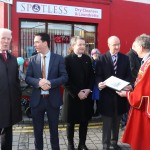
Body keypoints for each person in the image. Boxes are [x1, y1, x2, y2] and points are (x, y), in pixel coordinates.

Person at [25, 32, 68, 150]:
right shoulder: (32, 59)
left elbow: (64, 77)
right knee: (37, 132)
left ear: (45, 43)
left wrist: (50, 83)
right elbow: (28, 78)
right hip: (37, 102)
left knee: (54, 131)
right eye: (34, 43)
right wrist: (38, 83)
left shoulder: (58, 59)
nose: (34, 45)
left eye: (37, 42)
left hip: (52, 100)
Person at [96, 36, 131, 150]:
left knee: (117, 120)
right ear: (108, 45)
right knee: (107, 122)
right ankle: (105, 144)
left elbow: (128, 75)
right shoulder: (101, 58)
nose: (117, 47)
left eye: (118, 44)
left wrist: (126, 85)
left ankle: (114, 142)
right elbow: (98, 75)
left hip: (120, 95)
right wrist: (99, 83)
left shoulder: (125, 58)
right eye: (114, 45)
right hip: (106, 95)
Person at [116, 34, 150, 150]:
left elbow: (144, 93)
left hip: (145, 108)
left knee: (144, 141)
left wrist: (127, 94)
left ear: (141, 47)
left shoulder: (148, 64)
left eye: (135, 46)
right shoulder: (146, 61)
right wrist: (132, 87)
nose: (134, 49)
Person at [62, 36, 94, 150]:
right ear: (73, 46)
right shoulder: (67, 60)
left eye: (84, 44)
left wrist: (88, 90)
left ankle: (82, 144)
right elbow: (65, 80)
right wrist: (77, 93)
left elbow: (91, 76)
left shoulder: (87, 58)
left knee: (84, 122)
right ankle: (70, 145)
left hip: (86, 96)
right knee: (71, 123)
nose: (82, 47)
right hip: (72, 97)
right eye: (79, 44)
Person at [0, 28, 22, 150]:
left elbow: (16, 81)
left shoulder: (13, 59)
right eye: (3, 38)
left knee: (7, 134)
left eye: (8, 38)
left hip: (8, 106)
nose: (6, 41)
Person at [120, 41, 143, 128]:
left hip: (134, 83)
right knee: (128, 104)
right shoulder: (130, 55)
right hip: (131, 83)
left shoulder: (135, 55)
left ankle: (128, 123)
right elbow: (132, 70)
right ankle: (124, 123)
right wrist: (141, 77)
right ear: (134, 46)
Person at [91, 48, 101, 117]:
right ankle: (91, 112)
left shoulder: (101, 62)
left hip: (97, 83)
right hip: (91, 84)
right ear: (92, 55)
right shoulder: (89, 62)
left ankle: (98, 112)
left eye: (97, 54)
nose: (95, 55)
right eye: (94, 54)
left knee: (98, 99)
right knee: (91, 100)